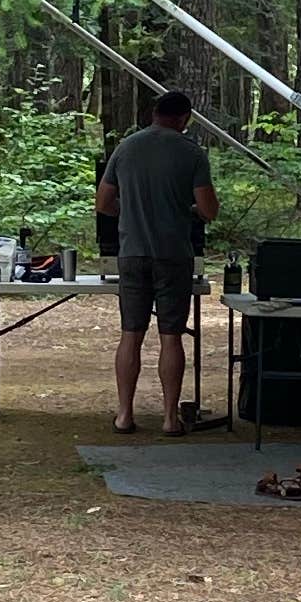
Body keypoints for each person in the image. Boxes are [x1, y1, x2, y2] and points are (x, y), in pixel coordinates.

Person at [97, 88, 217, 435]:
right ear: (185, 118)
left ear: (154, 113)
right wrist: (187, 210)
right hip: (174, 255)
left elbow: (103, 203)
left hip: (131, 253)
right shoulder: (192, 153)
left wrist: (127, 213)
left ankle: (124, 415)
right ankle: (168, 419)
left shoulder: (126, 148)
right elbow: (208, 210)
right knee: (171, 336)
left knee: (130, 334)